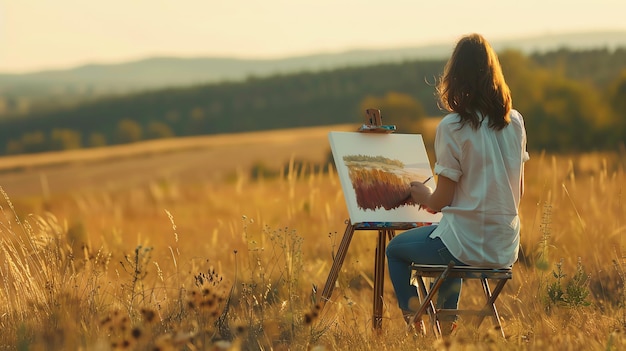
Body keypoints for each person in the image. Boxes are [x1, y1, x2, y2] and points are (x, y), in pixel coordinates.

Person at [385, 33, 530, 334]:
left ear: (456, 77)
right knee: (448, 235)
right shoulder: (514, 122)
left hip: (465, 245)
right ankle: (447, 326)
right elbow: (520, 191)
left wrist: (423, 193)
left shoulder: (453, 126)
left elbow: (442, 201)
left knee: (396, 250)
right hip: (504, 248)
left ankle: (416, 326)